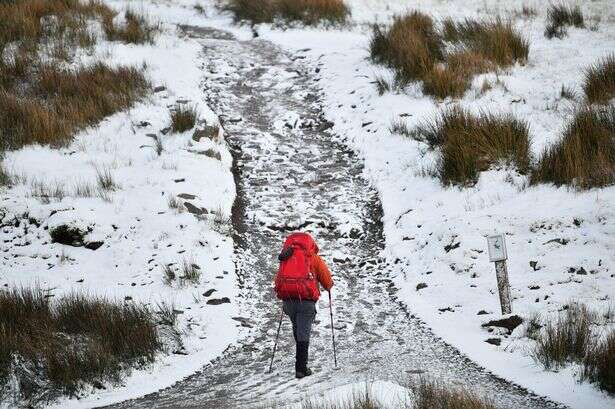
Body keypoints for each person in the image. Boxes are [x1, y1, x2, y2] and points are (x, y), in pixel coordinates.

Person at [274, 232, 333, 379]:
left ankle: (300, 361)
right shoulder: (312, 256)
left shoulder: (286, 256)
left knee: (298, 329)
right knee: (303, 333)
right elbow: (327, 280)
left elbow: (278, 278)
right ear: (310, 243)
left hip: (288, 301)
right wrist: (329, 285)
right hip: (306, 301)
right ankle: (301, 369)